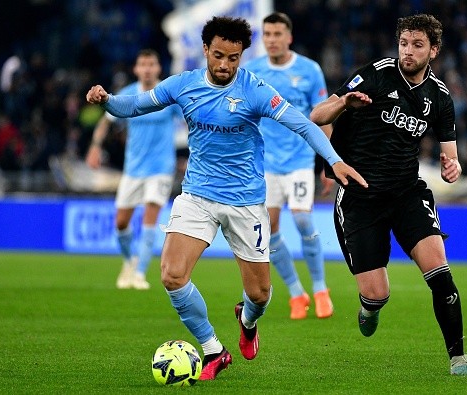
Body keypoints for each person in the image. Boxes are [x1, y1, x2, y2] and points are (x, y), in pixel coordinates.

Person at [86, 16, 367, 381]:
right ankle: (214, 350)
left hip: (246, 201)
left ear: (241, 56)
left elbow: (302, 123)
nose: (224, 65)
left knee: (261, 294)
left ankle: (247, 321)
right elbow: (135, 106)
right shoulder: (184, 85)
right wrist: (106, 100)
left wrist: (334, 160)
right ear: (205, 50)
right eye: (218, 55)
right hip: (197, 195)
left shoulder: (256, 90)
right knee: (172, 275)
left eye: (233, 58)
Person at [310, 14, 467, 376]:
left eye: (417, 45)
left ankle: (459, 360)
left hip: (407, 192)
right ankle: (370, 308)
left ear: (433, 50)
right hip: (359, 195)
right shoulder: (375, 73)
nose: (407, 51)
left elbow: (451, 158)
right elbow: (317, 114)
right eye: (404, 43)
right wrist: (345, 103)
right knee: (377, 293)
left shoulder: (440, 98)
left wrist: (453, 168)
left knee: (440, 271)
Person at [244, 12, 335, 320]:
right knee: (268, 232)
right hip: (265, 166)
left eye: (277, 34)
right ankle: (297, 293)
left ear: (289, 37)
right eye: (267, 34)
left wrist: (328, 162)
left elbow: (323, 116)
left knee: (303, 222)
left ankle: (321, 288)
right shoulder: (253, 71)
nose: (271, 40)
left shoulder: (309, 70)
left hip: (299, 161)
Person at [86, 49, 184, 290]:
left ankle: (140, 273)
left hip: (161, 167)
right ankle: (130, 262)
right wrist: (95, 147)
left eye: (152, 64)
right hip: (133, 168)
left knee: (150, 219)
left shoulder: (167, 93)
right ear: (136, 69)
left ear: (159, 68)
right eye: (143, 64)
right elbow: (105, 122)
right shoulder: (128, 94)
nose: (148, 68)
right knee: (121, 222)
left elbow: (190, 121)